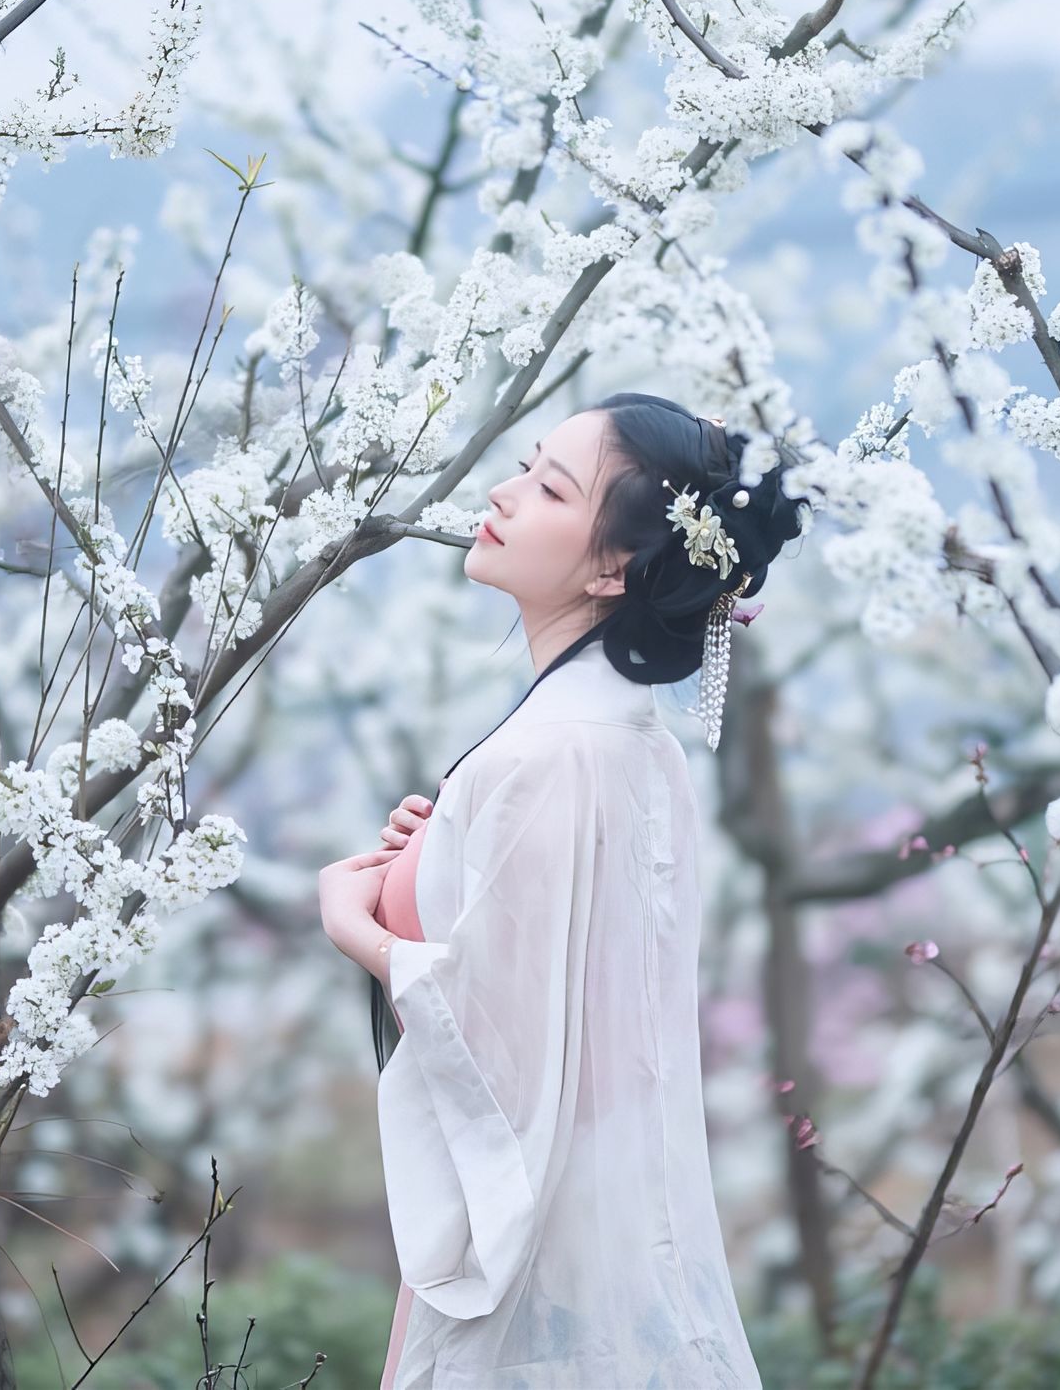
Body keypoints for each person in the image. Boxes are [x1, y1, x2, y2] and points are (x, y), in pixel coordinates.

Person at [317, 392, 806, 1388]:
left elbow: (508, 1051)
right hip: (586, 1247)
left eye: (548, 486)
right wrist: (432, 865)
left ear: (611, 566)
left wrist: (356, 923)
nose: (502, 491)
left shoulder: (557, 751)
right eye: (526, 464)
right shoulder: (615, 736)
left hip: (545, 1281)